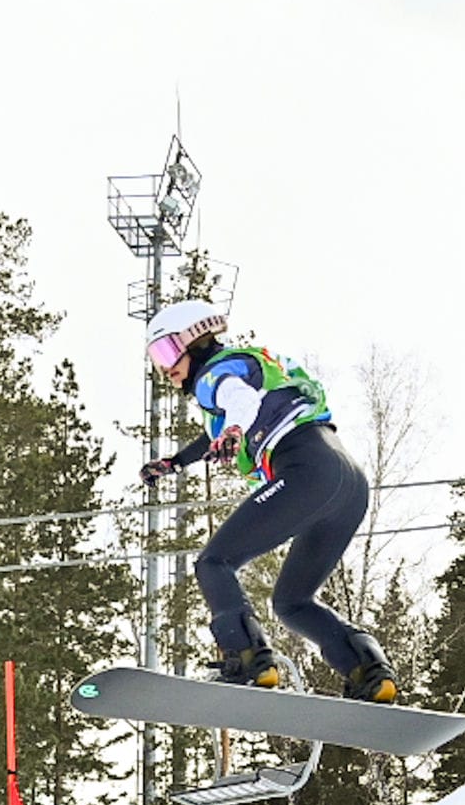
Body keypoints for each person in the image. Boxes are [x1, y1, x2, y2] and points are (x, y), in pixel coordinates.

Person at [137, 299, 397, 702]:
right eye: (157, 359)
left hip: (305, 473)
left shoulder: (213, 376)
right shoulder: (248, 366)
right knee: (292, 602)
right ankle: (369, 671)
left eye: (167, 352)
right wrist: (176, 462)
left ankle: (247, 659)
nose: (165, 369)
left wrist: (235, 430)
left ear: (194, 339)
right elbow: (221, 424)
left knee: (213, 563)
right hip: (348, 484)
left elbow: (240, 402)